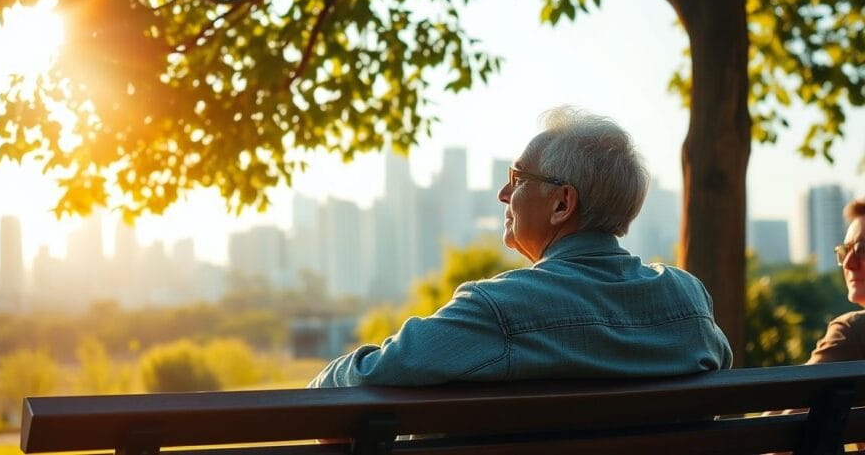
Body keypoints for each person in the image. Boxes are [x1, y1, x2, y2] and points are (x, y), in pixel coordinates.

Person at [309, 106, 732, 388]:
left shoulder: (499, 309)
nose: (502, 194)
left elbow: (370, 378)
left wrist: (322, 380)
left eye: (517, 179)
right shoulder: (688, 298)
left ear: (562, 203)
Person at [807, 198, 865, 363]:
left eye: (862, 249)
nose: (848, 263)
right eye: (845, 251)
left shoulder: (852, 331)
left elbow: (791, 389)